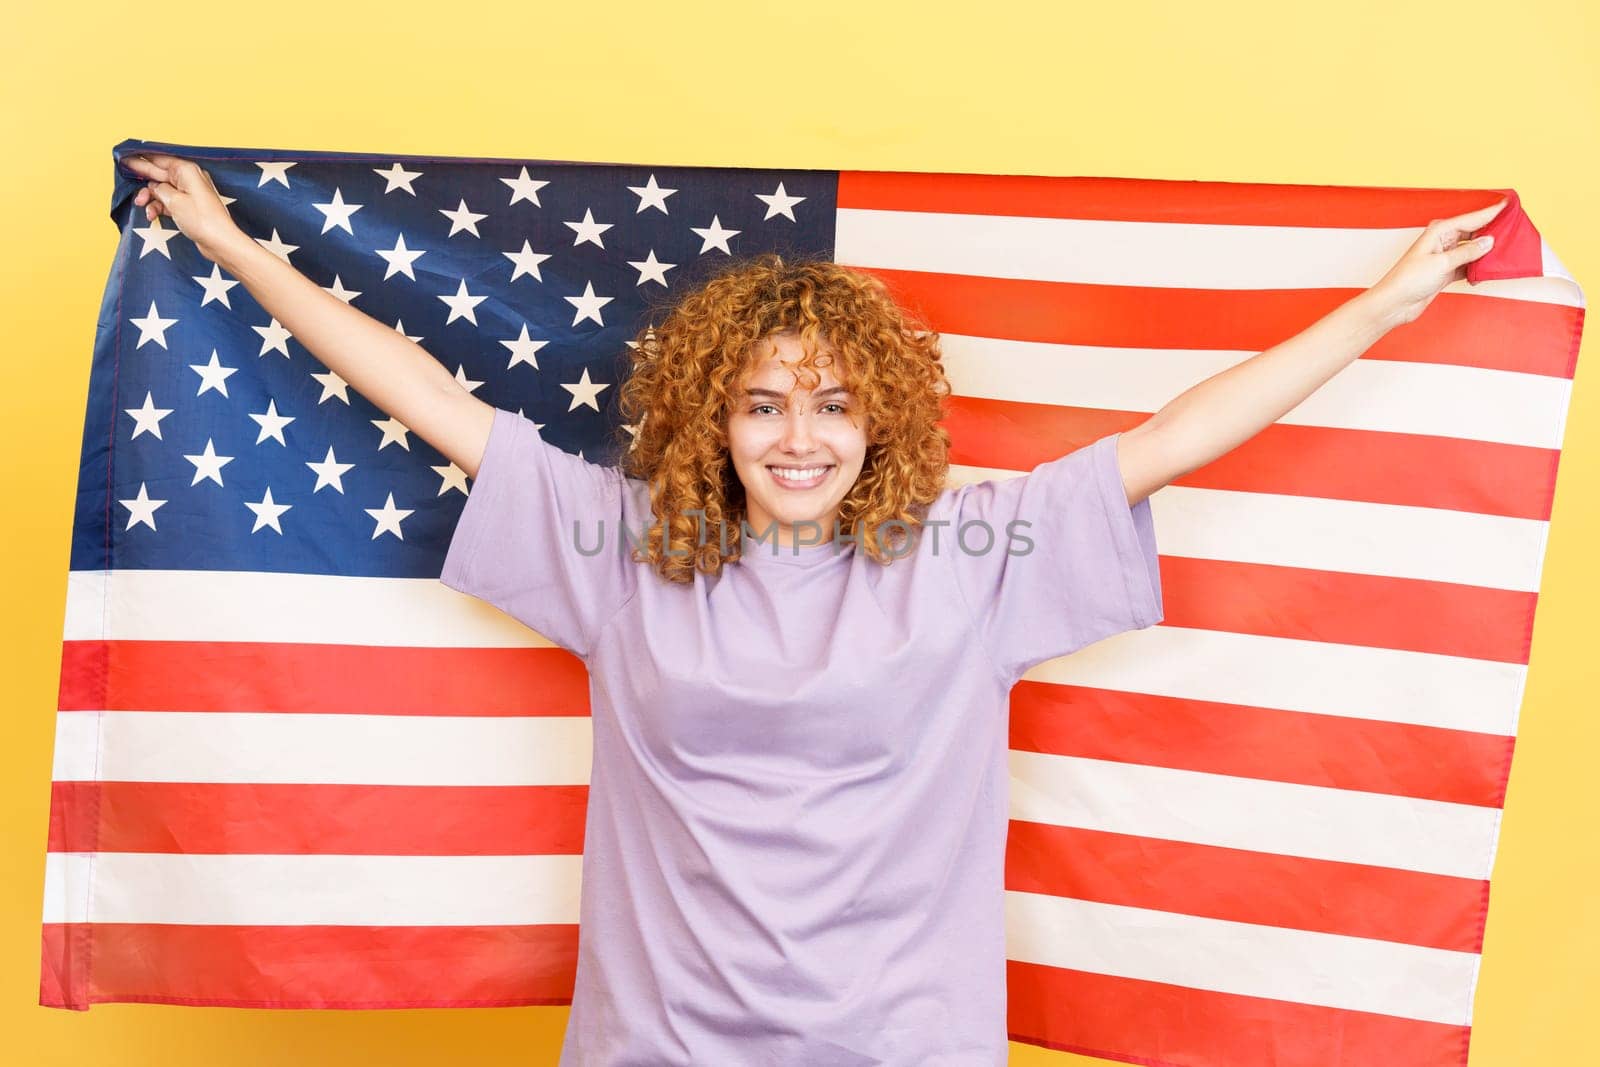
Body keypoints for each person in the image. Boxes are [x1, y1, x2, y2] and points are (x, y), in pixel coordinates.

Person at [122, 151, 1506, 1066]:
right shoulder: (621, 538)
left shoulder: (974, 547)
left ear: (881, 421)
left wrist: (1382, 307)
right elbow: (429, 398)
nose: (800, 436)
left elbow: (1185, 432)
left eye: (835, 405)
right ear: (713, 420)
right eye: (766, 402)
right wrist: (235, 245)